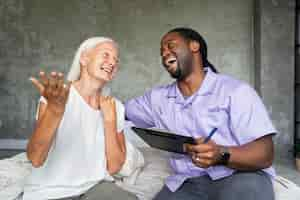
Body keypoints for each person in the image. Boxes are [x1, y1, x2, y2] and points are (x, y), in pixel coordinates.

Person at [125, 27, 276, 200]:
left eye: (170, 45)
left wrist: (221, 154)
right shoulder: (157, 98)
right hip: (188, 182)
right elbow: (119, 110)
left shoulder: (236, 91)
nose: (165, 53)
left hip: (240, 176)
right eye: (162, 51)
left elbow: (265, 153)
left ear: (194, 46)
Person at [23, 37, 140, 200]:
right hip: (51, 191)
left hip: (95, 187)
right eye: (106, 55)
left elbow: (114, 167)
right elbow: (35, 158)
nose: (112, 62)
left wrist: (109, 121)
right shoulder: (57, 97)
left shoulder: (115, 107)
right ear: (84, 58)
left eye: (115, 60)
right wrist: (55, 111)